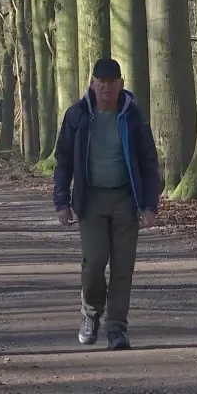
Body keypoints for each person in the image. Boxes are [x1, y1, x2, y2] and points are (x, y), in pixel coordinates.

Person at [52, 57, 160, 351]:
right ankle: (90, 314)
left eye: (112, 83)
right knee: (95, 263)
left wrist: (150, 205)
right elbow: (62, 160)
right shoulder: (77, 116)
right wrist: (62, 201)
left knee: (123, 267)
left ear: (121, 85)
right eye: (101, 82)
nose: (106, 88)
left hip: (126, 198)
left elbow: (150, 162)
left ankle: (116, 329)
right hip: (91, 200)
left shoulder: (133, 116)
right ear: (92, 83)